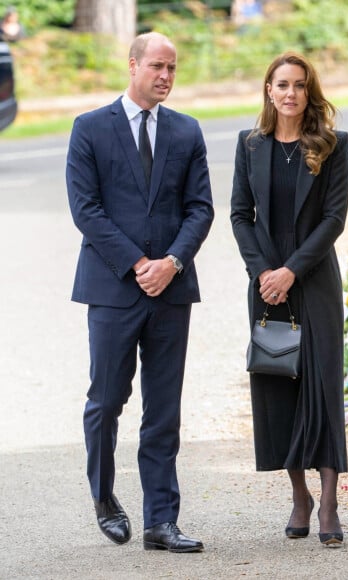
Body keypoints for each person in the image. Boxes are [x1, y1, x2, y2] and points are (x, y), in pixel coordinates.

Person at [66, 32, 214, 552]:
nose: (166, 77)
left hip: (172, 290)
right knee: (106, 401)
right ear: (132, 65)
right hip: (112, 288)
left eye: (172, 68)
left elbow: (201, 209)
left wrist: (172, 263)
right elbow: (86, 210)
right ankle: (104, 497)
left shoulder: (187, 131)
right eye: (157, 66)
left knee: (164, 410)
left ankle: (161, 520)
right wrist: (137, 264)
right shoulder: (89, 129)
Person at [230, 51, 348, 547]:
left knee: (321, 388)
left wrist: (291, 271)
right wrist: (265, 273)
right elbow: (240, 214)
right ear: (268, 90)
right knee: (280, 387)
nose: (290, 93)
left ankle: (329, 503)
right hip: (266, 287)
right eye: (282, 84)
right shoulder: (250, 144)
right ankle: (299, 496)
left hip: (314, 281)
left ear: (309, 91)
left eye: (299, 85)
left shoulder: (332, 145)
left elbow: (333, 219)